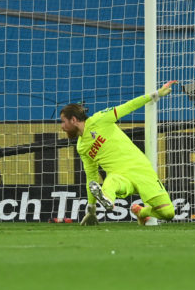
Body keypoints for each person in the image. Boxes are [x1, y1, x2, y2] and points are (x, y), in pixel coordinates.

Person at [59, 80, 178, 227]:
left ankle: (142, 212)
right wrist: (91, 209)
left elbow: (129, 106)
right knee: (111, 181)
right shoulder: (82, 146)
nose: (62, 127)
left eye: (63, 122)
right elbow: (91, 177)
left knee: (168, 214)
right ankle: (107, 200)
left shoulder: (100, 119)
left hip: (141, 169)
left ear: (74, 120)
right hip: (120, 177)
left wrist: (156, 94)